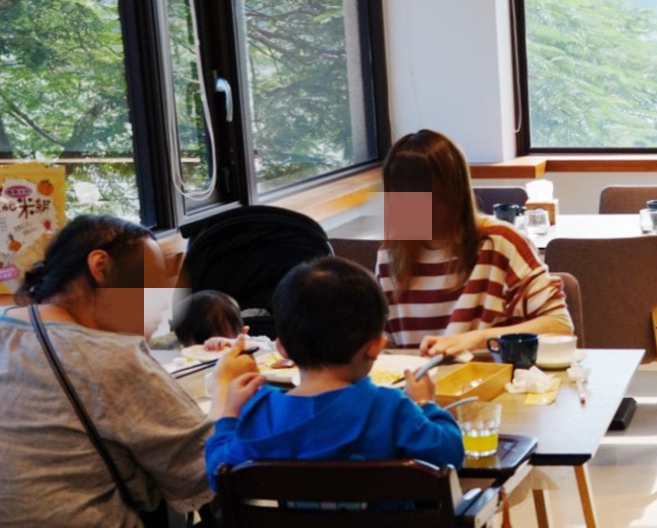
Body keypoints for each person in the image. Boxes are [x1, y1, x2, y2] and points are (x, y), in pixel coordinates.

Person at [0, 215, 215, 525]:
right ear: (101, 267)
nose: (160, 305)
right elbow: (203, 471)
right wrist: (226, 402)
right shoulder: (109, 357)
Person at [205, 256, 463, 484]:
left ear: (282, 350)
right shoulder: (392, 410)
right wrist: (426, 403)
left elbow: (219, 472)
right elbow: (450, 455)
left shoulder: (259, 414)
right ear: (375, 347)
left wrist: (230, 414)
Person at [378, 129, 572, 354]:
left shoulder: (498, 243)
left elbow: (560, 326)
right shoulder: (390, 257)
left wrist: (475, 339)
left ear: (454, 192)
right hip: (418, 386)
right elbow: (385, 346)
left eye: (427, 194)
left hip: (492, 379)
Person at [172, 288, 244, 349]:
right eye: (200, 343)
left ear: (242, 332)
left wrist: (232, 343)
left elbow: (253, 343)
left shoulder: (245, 344)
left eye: (220, 340)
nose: (211, 345)